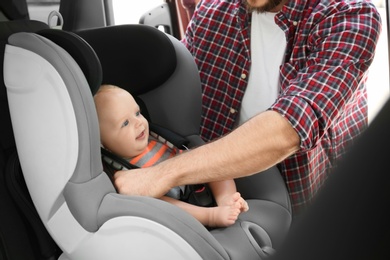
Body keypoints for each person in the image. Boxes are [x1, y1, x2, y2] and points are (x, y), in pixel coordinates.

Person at [113, 0, 382, 216]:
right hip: (214, 196)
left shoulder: (350, 17)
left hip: (307, 200)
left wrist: (163, 175)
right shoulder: (211, 11)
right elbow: (178, 102)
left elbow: (288, 129)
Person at [94, 84, 248, 227]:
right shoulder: (123, 173)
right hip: (176, 204)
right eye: (125, 123)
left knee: (213, 160)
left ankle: (227, 199)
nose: (139, 123)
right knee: (159, 203)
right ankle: (210, 216)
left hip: (193, 178)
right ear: (103, 143)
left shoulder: (155, 136)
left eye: (137, 113)